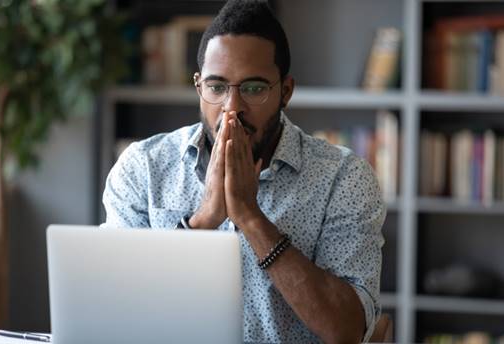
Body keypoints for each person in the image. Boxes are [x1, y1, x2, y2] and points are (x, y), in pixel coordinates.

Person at [102, 0, 386, 343]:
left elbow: (347, 331)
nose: (231, 108)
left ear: (285, 91)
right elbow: (116, 308)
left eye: (253, 88)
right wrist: (203, 220)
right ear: (198, 87)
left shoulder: (344, 178)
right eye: (217, 87)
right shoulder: (143, 167)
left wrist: (250, 217)